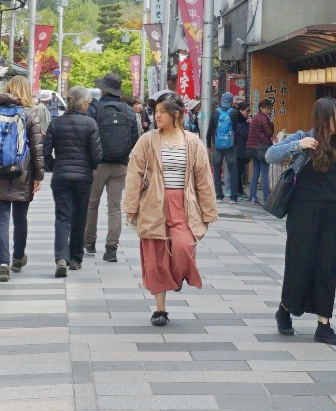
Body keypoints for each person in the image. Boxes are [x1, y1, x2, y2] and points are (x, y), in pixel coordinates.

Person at [124, 92, 218, 326]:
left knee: (184, 246)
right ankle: (160, 309)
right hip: (154, 204)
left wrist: (208, 211)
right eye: (156, 112)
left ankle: (175, 279)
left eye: (162, 112)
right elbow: (134, 173)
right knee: (155, 257)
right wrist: (131, 206)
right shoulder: (147, 140)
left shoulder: (192, 142)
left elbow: (203, 178)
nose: (157, 116)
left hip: (183, 205)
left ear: (176, 114)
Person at [267, 97, 336, 345]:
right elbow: (270, 155)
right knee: (300, 263)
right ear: (325, 119)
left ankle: (323, 325)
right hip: (302, 212)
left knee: (327, 267)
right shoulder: (303, 138)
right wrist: (298, 145)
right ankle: (285, 310)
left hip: (331, 214)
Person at [0, 77, 44, 283]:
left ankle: (3, 264)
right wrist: (39, 176)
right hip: (22, 174)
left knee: (1, 219)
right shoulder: (29, 114)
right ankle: (18, 258)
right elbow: (37, 149)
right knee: (20, 218)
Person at [85, 73, 143, 262]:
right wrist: (124, 155)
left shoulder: (94, 108)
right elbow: (135, 138)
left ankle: (90, 242)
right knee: (114, 207)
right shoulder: (128, 111)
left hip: (97, 165)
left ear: (103, 90)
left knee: (92, 204)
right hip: (119, 165)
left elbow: (88, 135)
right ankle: (111, 248)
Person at [45, 84, 101, 276]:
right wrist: (90, 167)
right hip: (83, 177)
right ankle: (76, 258)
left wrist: (54, 167)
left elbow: (46, 151)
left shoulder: (56, 123)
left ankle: (61, 257)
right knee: (80, 217)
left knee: (62, 217)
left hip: (61, 175)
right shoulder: (90, 124)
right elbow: (96, 155)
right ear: (83, 103)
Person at [207, 93, 248, 201]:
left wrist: (208, 144)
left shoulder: (216, 112)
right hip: (231, 144)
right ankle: (234, 197)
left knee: (217, 170)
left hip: (217, 145)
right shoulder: (234, 112)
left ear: (221, 100)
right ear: (231, 101)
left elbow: (210, 129)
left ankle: (219, 196)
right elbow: (244, 120)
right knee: (232, 171)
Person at [244, 98, 276, 204]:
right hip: (262, 149)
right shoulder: (264, 118)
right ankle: (267, 199)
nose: (269, 111)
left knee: (255, 172)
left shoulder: (255, 117)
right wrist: (272, 126)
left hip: (253, 149)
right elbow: (269, 133)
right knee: (264, 174)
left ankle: (253, 197)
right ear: (262, 108)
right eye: (268, 108)